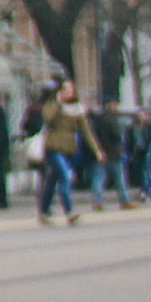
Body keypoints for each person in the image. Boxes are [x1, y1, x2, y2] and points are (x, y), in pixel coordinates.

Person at [39, 79, 98, 225]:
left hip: (69, 149)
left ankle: (44, 210)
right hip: (53, 147)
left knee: (52, 180)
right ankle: (70, 211)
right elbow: (47, 119)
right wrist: (59, 103)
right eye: (66, 90)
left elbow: (86, 131)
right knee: (65, 176)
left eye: (71, 90)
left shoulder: (76, 109)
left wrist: (97, 150)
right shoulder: (53, 104)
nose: (68, 93)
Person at [89, 101, 130, 212]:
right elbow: (116, 136)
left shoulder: (97, 120)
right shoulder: (113, 120)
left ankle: (97, 202)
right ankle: (125, 201)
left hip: (100, 152)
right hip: (113, 153)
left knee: (98, 179)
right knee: (120, 179)